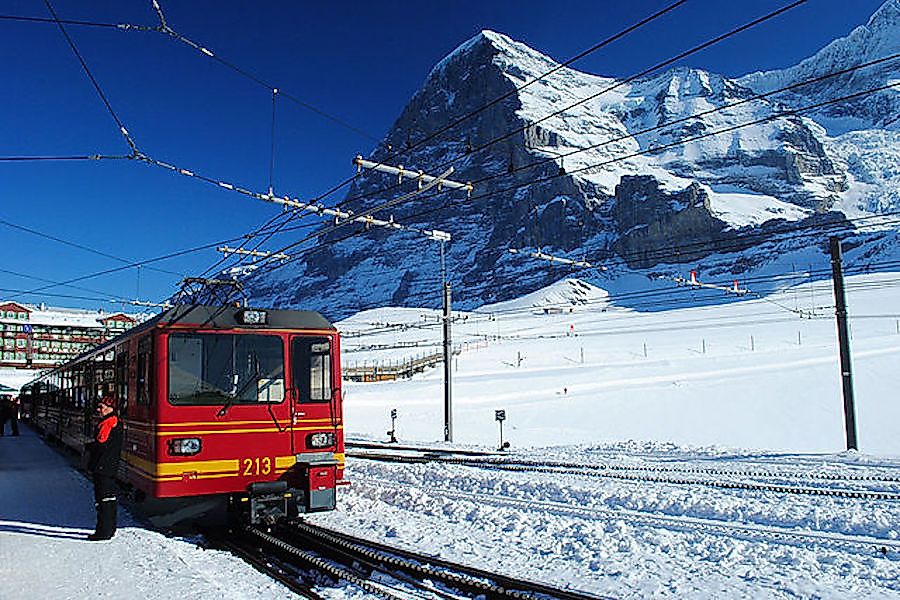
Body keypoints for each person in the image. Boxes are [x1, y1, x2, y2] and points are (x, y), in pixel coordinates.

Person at [86, 394, 123, 541]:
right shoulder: (116, 421)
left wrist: (89, 446)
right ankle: (110, 529)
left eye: (101, 407)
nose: (98, 409)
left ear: (110, 408)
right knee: (109, 498)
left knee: (103, 500)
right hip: (110, 466)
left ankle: (103, 531)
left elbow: (101, 443)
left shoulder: (108, 423)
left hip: (102, 466)